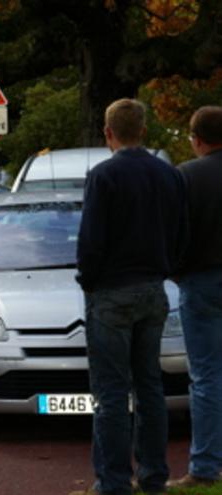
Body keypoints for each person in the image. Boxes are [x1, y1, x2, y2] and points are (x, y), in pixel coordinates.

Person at [72, 98, 187, 495]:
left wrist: (89, 280)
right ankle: (154, 476)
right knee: (150, 386)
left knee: (111, 393)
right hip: (153, 289)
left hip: (111, 291)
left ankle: (114, 481)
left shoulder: (104, 176)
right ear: (143, 130)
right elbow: (179, 231)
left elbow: (91, 239)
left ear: (108, 132)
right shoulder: (168, 175)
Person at [167, 106, 222, 489]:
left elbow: (172, 234)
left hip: (201, 281)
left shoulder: (185, 177)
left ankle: (205, 465)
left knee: (206, 375)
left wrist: (177, 269)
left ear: (197, 139)